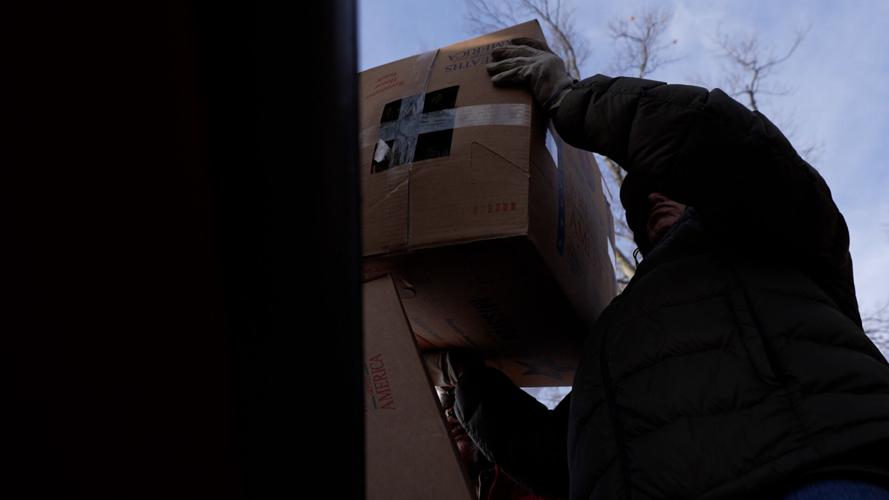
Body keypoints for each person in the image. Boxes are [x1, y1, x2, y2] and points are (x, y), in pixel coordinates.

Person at [426, 37, 889, 500]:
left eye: (669, 185)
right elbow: (558, 457)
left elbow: (726, 142)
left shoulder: (773, 235)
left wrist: (572, 98)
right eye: (641, 201)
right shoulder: (615, 334)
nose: (655, 197)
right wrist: (469, 384)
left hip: (819, 474)